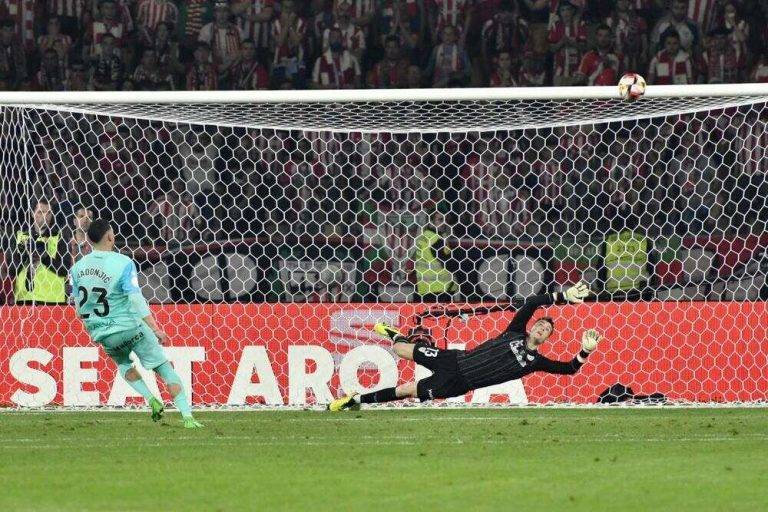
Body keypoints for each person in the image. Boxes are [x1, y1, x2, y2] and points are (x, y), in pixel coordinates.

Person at [329, 282, 598, 409]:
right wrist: (561, 296)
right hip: (452, 359)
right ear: (532, 327)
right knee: (400, 350)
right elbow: (530, 304)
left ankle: (354, 400)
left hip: (457, 383)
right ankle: (395, 334)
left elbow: (569, 369)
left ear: (547, 338)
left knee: (406, 390)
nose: (541, 328)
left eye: (547, 330)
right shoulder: (515, 331)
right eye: (540, 325)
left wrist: (585, 350)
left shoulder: (534, 362)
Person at [70, 219, 202, 428]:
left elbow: (78, 309)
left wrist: (96, 326)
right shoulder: (123, 262)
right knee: (163, 368)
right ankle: (187, 417)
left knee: (123, 364)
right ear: (110, 237)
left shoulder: (77, 269)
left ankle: (150, 399)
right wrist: (155, 328)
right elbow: (135, 298)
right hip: (131, 328)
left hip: (104, 334)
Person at [9, 199, 72, 304]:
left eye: (48, 213)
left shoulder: (60, 236)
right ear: (32, 214)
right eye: (40, 212)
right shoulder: (20, 236)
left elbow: (64, 270)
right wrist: (24, 255)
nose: (45, 216)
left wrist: (44, 256)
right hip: (24, 299)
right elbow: (11, 271)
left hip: (52, 300)